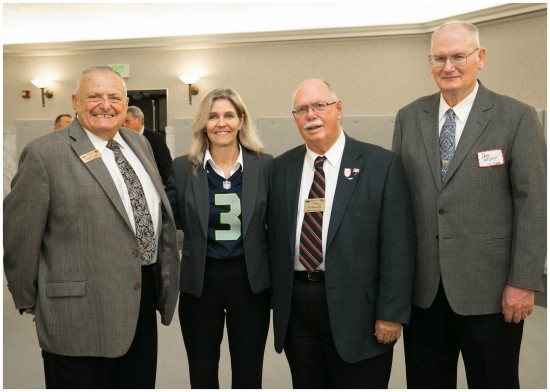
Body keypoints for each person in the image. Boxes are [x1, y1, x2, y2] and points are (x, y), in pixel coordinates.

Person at [4, 65, 180, 389]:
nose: (105, 104)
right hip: (77, 317)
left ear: (125, 105)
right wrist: (29, 298)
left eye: (114, 97)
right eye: (94, 96)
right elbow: (20, 236)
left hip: (139, 301)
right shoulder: (45, 155)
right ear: (75, 101)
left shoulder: (139, 146)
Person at [392, 20, 546, 389]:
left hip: (491, 293)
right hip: (424, 293)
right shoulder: (409, 117)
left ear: (481, 58)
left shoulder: (516, 117)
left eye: (458, 56)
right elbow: (397, 206)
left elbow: (533, 204)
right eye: (439, 58)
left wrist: (523, 282)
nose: (449, 67)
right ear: (429, 63)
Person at [268, 79, 416, 388]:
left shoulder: (381, 165)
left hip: (359, 312)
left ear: (338, 109)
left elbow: (398, 246)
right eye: (302, 109)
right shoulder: (281, 168)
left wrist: (391, 313)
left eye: (320, 105)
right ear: (295, 118)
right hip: (299, 308)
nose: (312, 115)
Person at [165, 88, 272, 388]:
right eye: (212, 116)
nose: (220, 123)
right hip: (201, 282)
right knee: (201, 372)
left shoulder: (264, 166)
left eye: (228, 115)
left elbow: (276, 227)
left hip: (250, 283)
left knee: (249, 372)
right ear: (203, 123)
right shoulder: (184, 168)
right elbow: (166, 219)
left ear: (241, 120)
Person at [125, 106, 173, 185]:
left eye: (127, 121)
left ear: (139, 119)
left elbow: (166, 168)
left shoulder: (156, 138)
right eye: (123, 122)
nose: (124, 125)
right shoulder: (124, 139)